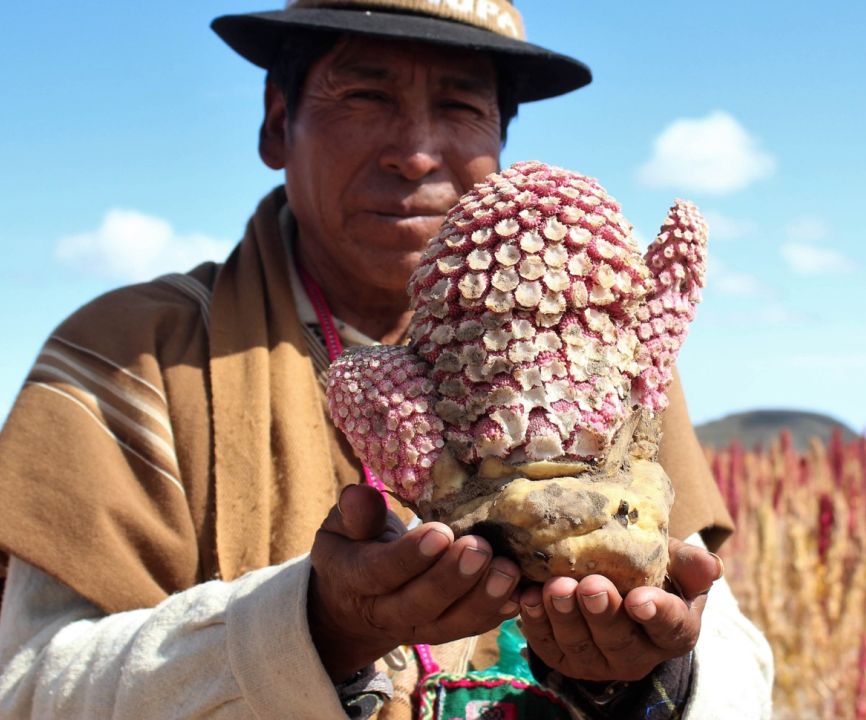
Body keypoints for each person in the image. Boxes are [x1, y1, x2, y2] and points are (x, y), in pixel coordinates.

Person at [0, 1, 774, 718]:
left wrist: (655, 670)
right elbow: (30, 685)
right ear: (277, 125)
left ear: (500, 142)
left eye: (461, 106)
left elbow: (737, 666)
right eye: (366, 97)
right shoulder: (139, 353)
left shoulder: (600, 354)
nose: (415, 153)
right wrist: (310, 632)